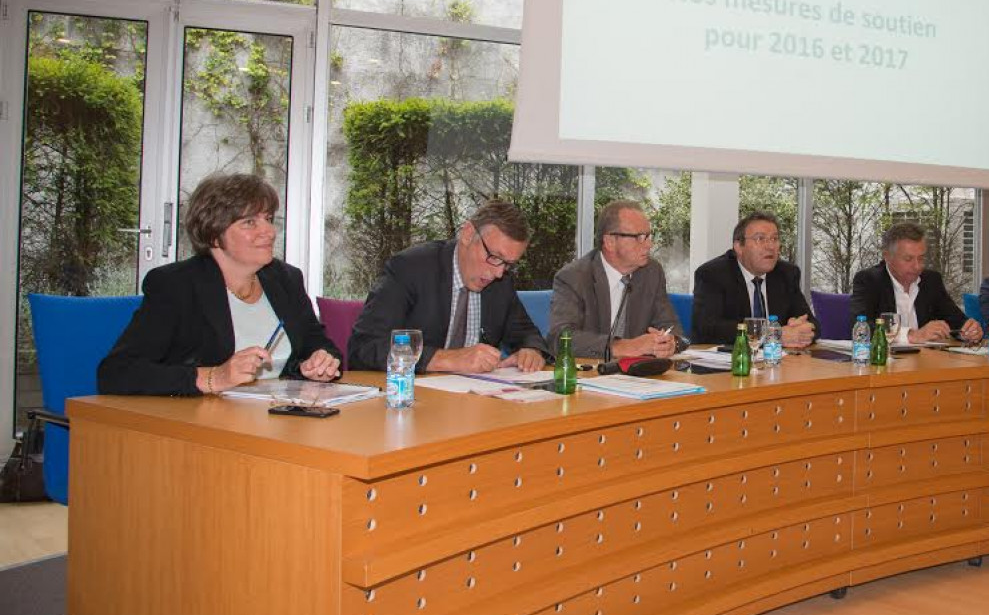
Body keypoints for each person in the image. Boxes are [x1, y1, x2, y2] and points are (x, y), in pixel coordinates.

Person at [97, 174, 341, 395]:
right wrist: (215, 377)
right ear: (213, 234)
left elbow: (317, 343)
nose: (269, 231)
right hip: (205, 427)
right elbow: (117, 373)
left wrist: (321, 361)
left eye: (268, 219)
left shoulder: (286, 279)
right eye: (249, 222)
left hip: (282, 420)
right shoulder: (176, 285)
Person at [347, 200, 550, 373]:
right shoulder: (409, 269)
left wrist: (531, 351)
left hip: (477, 404)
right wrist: (447, 359)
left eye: (508, 264)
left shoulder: (500, 281)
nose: (499, 272)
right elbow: (365, 346)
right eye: (495, 257)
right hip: (415, 402)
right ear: (468, 234)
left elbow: (526, 333)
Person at [548, 201, 685, 359]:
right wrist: (622, 347)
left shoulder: (652, 272)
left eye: (648, 236)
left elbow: (672, 328)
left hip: (637, 377)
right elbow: (560, 338)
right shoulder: (574, 277)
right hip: (589, 375)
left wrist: (669, 343)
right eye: (639, 237)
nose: (649, 244)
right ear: (610, 242)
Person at [691, 211, 818, 347]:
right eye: (760, 239)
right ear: (739, 247)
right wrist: (772, 334)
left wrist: (803, 329)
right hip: (730, 362)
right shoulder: (713, 274)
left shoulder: (786, 273)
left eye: (774, 239)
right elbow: (708, 328)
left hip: (778, 361)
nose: (770, 246)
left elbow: (813, 324)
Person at [849, 222, 983, 343]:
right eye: (908, 259)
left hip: (925, 363)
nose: (917, 266)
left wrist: (968, 331)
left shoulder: (931, 280)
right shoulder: (869, 280)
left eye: (921, 258)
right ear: (887, 257)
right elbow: (862, 327)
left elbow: (956, 321)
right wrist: (912, 335)